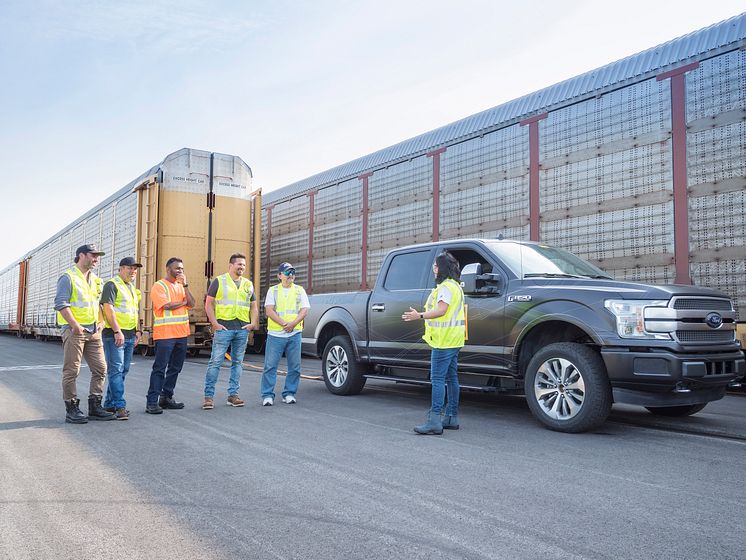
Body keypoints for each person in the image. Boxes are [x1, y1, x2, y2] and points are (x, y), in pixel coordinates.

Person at [402, 251, 465, 435]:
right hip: (454, 339)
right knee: (452, 378)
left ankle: (434, 420)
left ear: (441, 268)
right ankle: (451, 417)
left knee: (437, 379)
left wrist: (418, 316)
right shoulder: (456, 286)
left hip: (443, 341)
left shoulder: (445, 287)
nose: (434, 270)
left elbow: (441, 311)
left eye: (435, 267)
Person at [54, 244, 115, 423]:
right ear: (81, 255)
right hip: (74, 331)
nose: (96, 259)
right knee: (72, 370)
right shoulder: (68, 277)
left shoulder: (97, 280)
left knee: (101, 368)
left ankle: (95, 406)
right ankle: (71, 408)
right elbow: (61, 303)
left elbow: (98, 304)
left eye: (97, 256)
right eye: (93, 255)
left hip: (94, 331)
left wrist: (102, 321)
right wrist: (74, 325)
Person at [202, 253, 258, 409]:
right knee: (215, 363)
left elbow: (253, 306)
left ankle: (233, 396)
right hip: (224, 328)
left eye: (244, 265)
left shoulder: (248, 284)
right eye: (239, 264)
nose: (242, 267)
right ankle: (208, 397)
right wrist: (214, 324)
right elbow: (208, 304)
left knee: (237, 364)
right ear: (230, 265)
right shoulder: (219, 281)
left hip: (242, 329)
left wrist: (252, 323)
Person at [145, 257, 195, 414]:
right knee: (160, 368)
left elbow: (192, 303)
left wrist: (185, 286)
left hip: (181, 334)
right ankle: (152, 402)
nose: (180, 271)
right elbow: (166, 306)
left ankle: (166, 397)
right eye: (177, 268)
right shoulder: (158, 286)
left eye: (181, 268)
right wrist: (183, 302)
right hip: (165, 334)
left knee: (175, 368)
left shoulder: (181, 286)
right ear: (168, 269)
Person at [260, 262, 310, 406]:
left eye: (292, 272)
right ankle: (267, 395)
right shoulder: (273, 291)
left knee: (295, 366)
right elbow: (269, 310)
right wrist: (284, 324)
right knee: (270, 366)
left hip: (294, 333)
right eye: (287, 273)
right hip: (276, 334)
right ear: (279, 276)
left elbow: (304, 310)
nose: (290, 275)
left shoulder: (300, 290)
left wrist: (293, 324)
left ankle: (289, 393)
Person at [100, 257, 143, 420]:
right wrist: (117, 331)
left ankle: (110, 404)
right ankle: (120, 405)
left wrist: (138, 330)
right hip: (115, 335)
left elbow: (134, 311)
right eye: (129, 268)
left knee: (122, 370)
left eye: (135, 269)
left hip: (130, 335)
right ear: (120, 269)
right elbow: (108, 309)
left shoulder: (132, 288)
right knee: (116, 370)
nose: (133, 271)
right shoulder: (112, 285)